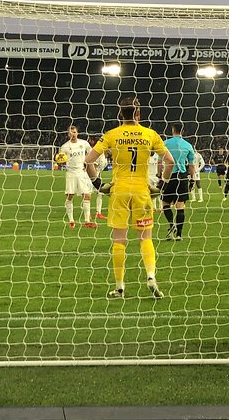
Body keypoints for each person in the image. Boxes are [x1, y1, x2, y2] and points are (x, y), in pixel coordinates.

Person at [85, 96, 174, 299]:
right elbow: (169, 161)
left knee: (119, 240)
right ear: (139, 113)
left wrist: (100, 186)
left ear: (120, 113)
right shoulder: (150, 134)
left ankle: (119, 287)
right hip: (142, 191)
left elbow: (88, 161)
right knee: (145, 237)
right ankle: (150, 276)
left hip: (119, 191)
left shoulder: (111, 135)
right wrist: (161, 185)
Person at [161, 123, 198, 241]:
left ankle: (171, 225)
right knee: (180, 205)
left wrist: (159, 175)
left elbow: (159, 162)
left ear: (172, 130)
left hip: (169, 176)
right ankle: (179, 235)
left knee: (165, 204)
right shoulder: (188, 145)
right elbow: (192, 166)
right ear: (183, 131)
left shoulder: (165, 143)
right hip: (182, 177)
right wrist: (192, 180)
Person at [58, 126, 97, 228]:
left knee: (87, 195)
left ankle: (87, 221)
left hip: (81, 172)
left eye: (74, 132)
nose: (73, 134)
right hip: (71, 173)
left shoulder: (83, 143)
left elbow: (91, 152)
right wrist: (59, 160)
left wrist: (87, 163)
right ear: (68, 134)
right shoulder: (64, 147)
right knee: (70, 196)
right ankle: (71, 220)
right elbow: (59, 159)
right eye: (71, 133)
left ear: (77, 133)